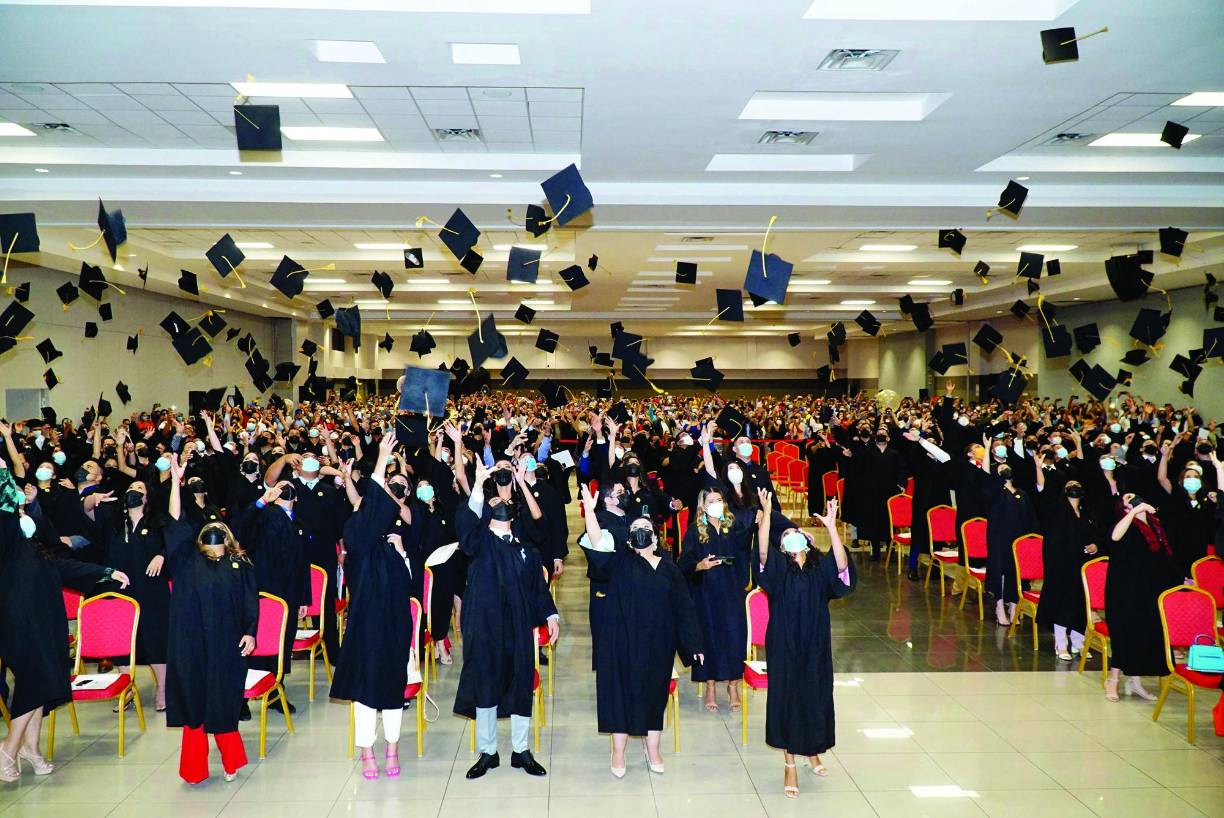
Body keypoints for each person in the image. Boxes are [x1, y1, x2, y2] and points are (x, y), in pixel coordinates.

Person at [0, 461, 130, 781]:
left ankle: (31, 748)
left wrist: (105, 572)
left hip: (46, 616)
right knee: (35, 679)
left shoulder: (30, 535)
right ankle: (8, 749)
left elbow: (61, 563)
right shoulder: (6, 535)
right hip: (19, 617)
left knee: (45, 679)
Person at [577, 484, 702, 778]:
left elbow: (684, 608)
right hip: (619, 642)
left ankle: (653, 747)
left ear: (656, 537)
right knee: (618, 694)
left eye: (646, 527)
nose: (641, 530)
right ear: (629, 538)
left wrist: (694, 643)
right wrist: (591, 511)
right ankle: (617, 751)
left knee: (653, 695)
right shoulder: (618, 560)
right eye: (636, 528)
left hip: (656, 645)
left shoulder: (669, 568)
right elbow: (596, 540)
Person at [453, 458, 558, 780]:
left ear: (513, 512)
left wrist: (551, 615)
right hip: (483, 625)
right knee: (485, 684)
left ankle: (521, 750)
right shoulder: (479, 542)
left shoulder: (526, 550)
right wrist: (479, 487)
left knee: (520, 683)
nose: (498, 502)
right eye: (492, 500)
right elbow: (465, 526)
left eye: (502, 501)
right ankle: (488, 752)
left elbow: (538, 589)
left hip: (519, 626)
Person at [330, 433, 421, 780]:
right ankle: (366, 749)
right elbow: (369, 509)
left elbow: (411, 582)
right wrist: (381, 459)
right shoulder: (358, 538)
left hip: (396, 623)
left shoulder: (395, 544)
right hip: (366, 624)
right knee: (365, 690)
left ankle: (393, 747)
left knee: (393, 686)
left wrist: (401, 550)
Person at [162, 454, 258, 784]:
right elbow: (175, 521)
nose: (214, 527)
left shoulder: (240, 564)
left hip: (226, 645)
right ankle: (193, 769)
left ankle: (231, 761)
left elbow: (250, 603)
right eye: (209, 527)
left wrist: (250, 632)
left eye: (220, 526)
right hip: (189, 645)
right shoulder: (187, 560)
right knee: (194, 705)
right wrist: (175, 482)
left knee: (223, 702)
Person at [756, 492, 854, 798]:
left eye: (796, 533)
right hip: (784, 645)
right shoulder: (777, 569)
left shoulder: (817, 568)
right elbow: (761, 553)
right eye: (786, 536)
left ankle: (813, 751)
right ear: (781, 546)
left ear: (808, 541)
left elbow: (840, 567)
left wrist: (832, 528)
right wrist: (768, 515)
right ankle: (790, 764)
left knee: (815, 694)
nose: (792, 538)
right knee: (787, 698)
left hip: (815, 644)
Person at [678, 486, 755, 713]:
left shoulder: (734, 526)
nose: (716, 504)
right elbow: (684, 563)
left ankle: (733, 685)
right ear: (703, 505)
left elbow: (745, 553)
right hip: (706, 592)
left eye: (719, 499)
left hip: (731, 590)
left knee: (734, 636)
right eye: (711, 500)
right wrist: (699, 566)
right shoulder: (695, 530)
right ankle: (710, 685)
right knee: (709, 637)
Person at [98, 480, 171, 711]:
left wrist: (162, 555)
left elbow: (175, 544)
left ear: (147, 496)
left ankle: (162, 688)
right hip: (121, 588)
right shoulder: (114, 521)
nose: (134, 492)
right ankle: (126, 689)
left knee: (155, 638)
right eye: (130, 488)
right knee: (122, 638)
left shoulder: (158, 521)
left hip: (151, 589)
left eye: (140, 489)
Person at [240, 478, 311, 714]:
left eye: (289, 486)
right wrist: (262, 501)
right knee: (256, 640)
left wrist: (304, 598)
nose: (284, 488)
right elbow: (242, 528)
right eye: (280, 485)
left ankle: (275, 689)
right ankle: (241, 696)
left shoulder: (300, 522)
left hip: (290, 592)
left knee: (282, 641)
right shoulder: (264, 514)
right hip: (264, 588)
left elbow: (303, 563)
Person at [1104, 492, 1177, 703]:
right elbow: (1114, 537)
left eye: (1136, 498)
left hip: (1149, 589)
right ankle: (1113, 680)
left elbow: (1164, 555)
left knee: (1144, 634)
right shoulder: (1124, 523)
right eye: (1128, 499)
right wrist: (1133, 512)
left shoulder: (1155, 525)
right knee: (1124, 634)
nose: (1134, 500)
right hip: (1125, 590)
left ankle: (1135, 682)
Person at [1033, 470, 1103, 661]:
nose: (1074, 488)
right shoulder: (1058, 508)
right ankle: (1061, 642)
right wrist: (1039, 468)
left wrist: (1095, 545)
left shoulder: (1088, 512)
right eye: (1070, 486)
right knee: (1062, 603)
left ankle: (1078, 642)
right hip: (1062, 564)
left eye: (1077, 485)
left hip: (1082, 566)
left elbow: (1096, 535)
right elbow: (1043, 491)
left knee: (1080, 604)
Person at [984, 444, 1038, 627]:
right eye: (1000, 468)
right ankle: (999, 605)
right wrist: (986, 449)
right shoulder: (995, 492)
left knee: (1016, 572)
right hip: (999, 538)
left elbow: (1030, 518)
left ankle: (1014, 605)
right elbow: (985, 477)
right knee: (999, 571)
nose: (1004, 468)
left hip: (1018, 539)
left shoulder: (1022, 494)